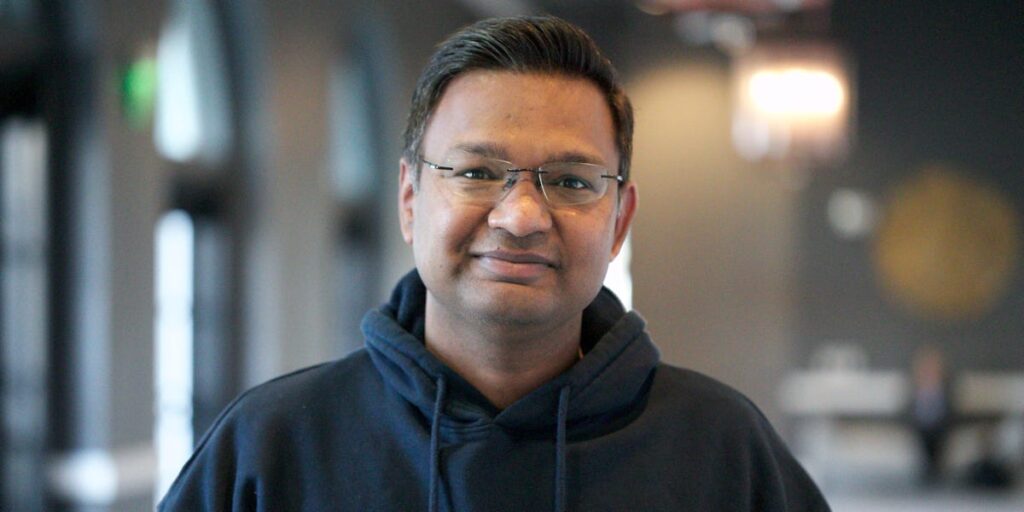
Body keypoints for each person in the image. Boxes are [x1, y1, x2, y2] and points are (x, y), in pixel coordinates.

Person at [160, 15, 830, 511]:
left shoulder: (723, 453)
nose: (521, 217)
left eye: (571, 182)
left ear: (619, 222)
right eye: (477, 172)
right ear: (410, 200)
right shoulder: (272, 448)